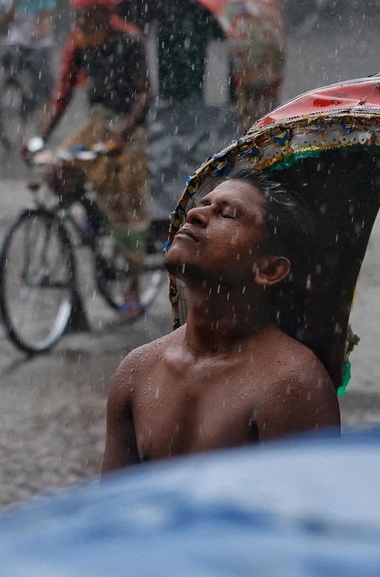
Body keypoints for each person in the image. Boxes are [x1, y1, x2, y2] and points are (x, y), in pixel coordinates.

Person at [101, 171, 340, 472]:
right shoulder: (136, 372)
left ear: (268, 269)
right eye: (203, 204)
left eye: (226, 214)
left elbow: (299, 514)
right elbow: (112, 510)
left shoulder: (291, 383)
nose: (195, 214)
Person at [35, 0, 153, 323]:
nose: (81, 22)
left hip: (127, 129)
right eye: (77, 16)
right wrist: (40, 137)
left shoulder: (129, 40)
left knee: (126, 204)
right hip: (96, 124)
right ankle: (91, 219)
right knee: (57, 168)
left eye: (87, 15)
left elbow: (146, 94)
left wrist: (124, 132)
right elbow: (63, 93)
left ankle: (132, 286)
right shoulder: (79, 43)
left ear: (104, 13)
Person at [1, 0, 56, 102]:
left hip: (39, 41)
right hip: (18, 39)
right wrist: (11, 9)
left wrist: (37, 34)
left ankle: (44, 99)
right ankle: (12, 88)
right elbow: (5, 21)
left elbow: (45, 20)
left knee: (40, 69)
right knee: (7, 57)